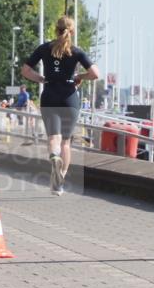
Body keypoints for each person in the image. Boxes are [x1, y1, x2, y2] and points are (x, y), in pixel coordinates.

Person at [21, 16, 100, 195]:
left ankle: (54, 157)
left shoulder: (44, 48)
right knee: (66, 142)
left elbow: (25, 70)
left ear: (56, 30)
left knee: (53, 139)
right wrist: (80, 77)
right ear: (72, 32)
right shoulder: (76, 51)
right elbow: (95, 73)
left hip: (49, 95)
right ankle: (60, 179)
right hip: (69, 97)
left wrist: (41, 79)